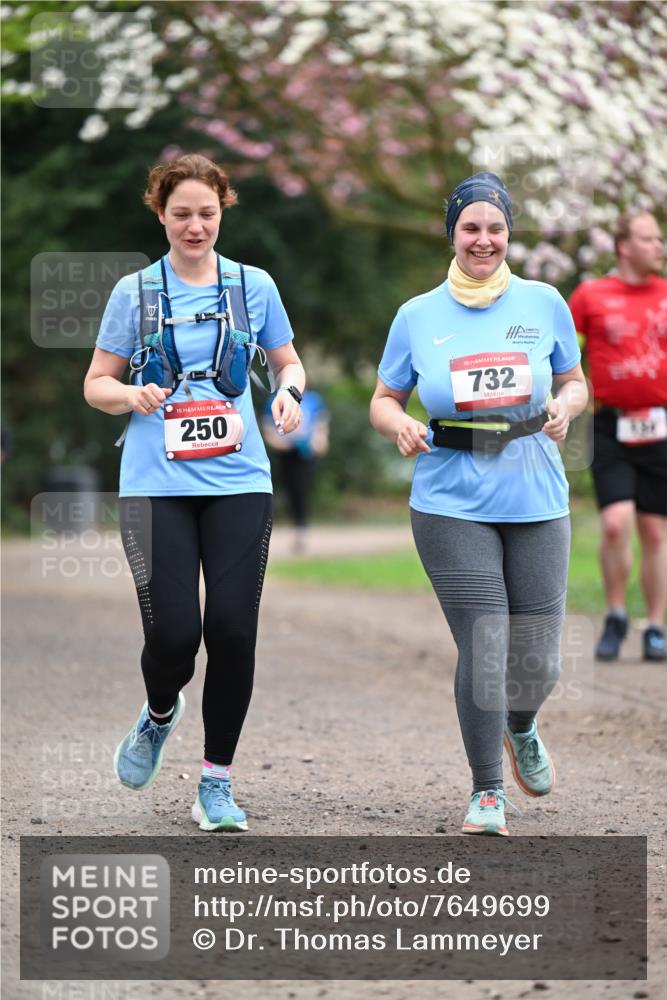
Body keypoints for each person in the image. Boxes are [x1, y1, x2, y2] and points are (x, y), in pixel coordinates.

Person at [84, 153, 305, 831]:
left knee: (233, 630)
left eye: (207, 213)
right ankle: (158, 714)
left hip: (240, 480)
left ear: (222, 210)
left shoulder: (253, 286)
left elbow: (288, 362)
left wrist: (290, 394)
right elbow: (96, 383)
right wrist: (130, 395)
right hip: (154, 486)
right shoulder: (134, 293)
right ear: (160, 214)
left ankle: (216, 782)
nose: (195, 226)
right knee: (174, 635)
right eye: (181, 213)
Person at [370, 172, 587, 836]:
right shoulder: (417, 315)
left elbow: (574, 380)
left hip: (536, 494)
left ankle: (520, 724)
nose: (483, 239)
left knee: (538, 662)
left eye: (495, 228)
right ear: (452, 234)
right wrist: (399, 424)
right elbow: (384, 399)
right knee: (486, 644)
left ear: (508, 234)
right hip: (449, 499)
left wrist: (565, 407)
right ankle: (486, 790)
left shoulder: (544, 302)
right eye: (470, 227)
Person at [569, 212, 667, 663]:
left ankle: (656, 627)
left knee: (654, 531)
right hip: (609, 425)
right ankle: (615, 615)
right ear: (624, 246)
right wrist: (571, 392)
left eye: (659, 239)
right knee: (614, 523)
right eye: (649, 239)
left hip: (660, 425)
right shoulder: (591, 295)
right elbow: (562, 350)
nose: (659, 246)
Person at [262, 389, 330, 552]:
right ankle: (298, 526)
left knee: (302, 489)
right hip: (286, 452)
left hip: (307, 452)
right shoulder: (274, 400)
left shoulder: (314, 400)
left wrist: (320, 441)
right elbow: (268, 427)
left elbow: (321, 424)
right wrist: (278, 443)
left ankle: (301, 527)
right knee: (291, 489)